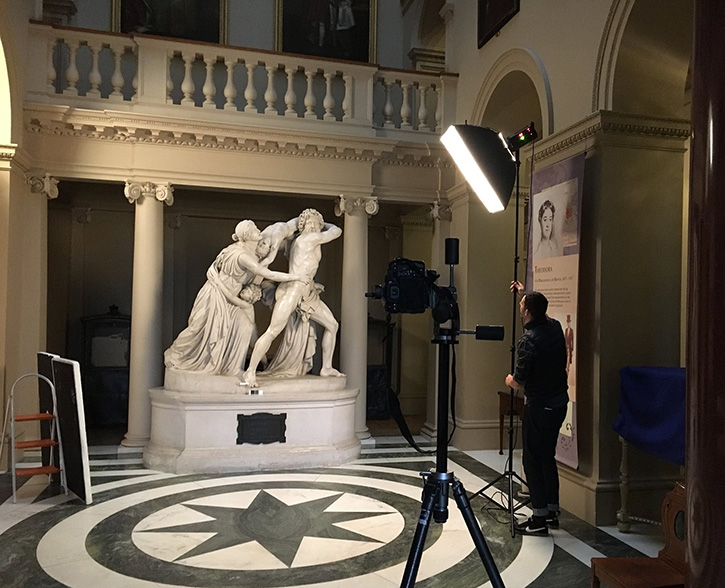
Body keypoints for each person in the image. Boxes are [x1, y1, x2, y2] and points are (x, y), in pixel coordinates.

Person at [164, 220, 308, 377]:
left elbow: (281, 228)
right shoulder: (242, 256)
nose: (258, 230)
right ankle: (176, 355)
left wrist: (302, 221)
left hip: (232, 298)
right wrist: (296, 277)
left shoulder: (249, 251)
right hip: (216, 295)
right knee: (199, 330)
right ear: (247, 236)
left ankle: (233, 368)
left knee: (245, 325)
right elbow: (269, 274)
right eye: (254, 230)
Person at [242, 209, 343, 387]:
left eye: (316, 224)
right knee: (273, 331)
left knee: (332, 325)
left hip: (307, 293)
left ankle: (326, 367)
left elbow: (307, 267)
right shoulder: (309, 239)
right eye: (310, 223)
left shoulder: (301, 240)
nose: (314, 226)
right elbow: (336, 231)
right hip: (293, 291)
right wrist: (324, 223)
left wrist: (312, 284)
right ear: (302, 226)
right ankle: (250, 372)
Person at [505, 280, 569, 536]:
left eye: (522, 304)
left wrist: (508, 380)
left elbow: (518, 382)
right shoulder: (554, 327)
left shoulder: (528, 341)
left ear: (527, 311)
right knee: (547, 457)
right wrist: (524, 292)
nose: (520, 306)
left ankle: (539, 517)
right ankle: (552, 511)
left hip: (539, 407)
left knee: (532, 459)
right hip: (559, 403)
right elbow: (539, 311)